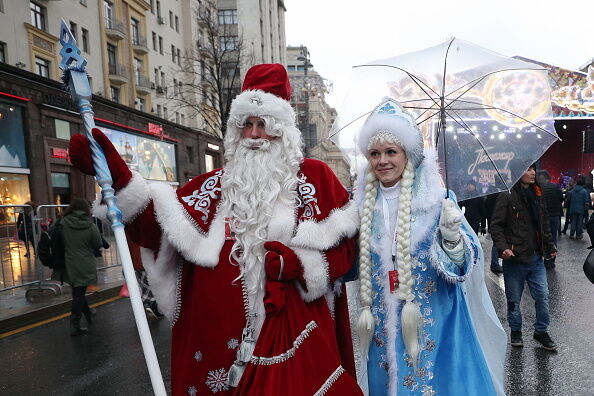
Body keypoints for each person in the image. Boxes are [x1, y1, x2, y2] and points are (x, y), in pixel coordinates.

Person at [69, 64, 361, 395]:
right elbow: (158, 231)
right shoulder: (212, 185)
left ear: (282, 130)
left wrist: (302, 264)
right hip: (217, 342)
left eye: (262, 125)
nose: (253, 135)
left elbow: (345, 246)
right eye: (246, 125)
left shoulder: (316, 177)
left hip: (292, 333)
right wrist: (120, 180)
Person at [355, 99, 506, 396]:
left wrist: (451, 237)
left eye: (390, 152)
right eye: (375, 153)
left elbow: (463, 268)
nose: (382, 160)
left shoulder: (438, 201)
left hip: (437, 321)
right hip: (384, 326)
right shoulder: (361, 208)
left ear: (407, 155)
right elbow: (348, 265)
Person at [490, 164, 557, 350]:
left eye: (534, 169)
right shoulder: (507, 196)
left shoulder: (538, 194)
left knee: (543, 295)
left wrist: (550, 246)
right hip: (514, 259)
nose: (533, 172)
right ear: (519, 173)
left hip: (536, 258)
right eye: (528, 169)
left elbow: (543, 224)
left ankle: (541, 331)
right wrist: (503, 248)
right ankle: (516, 331)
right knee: (514, 300)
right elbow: (495, 226)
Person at [52, 198, 103, 336]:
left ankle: (88, 314)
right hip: (85, 262)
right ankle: (74, 324)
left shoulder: (62, 223)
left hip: (68, 263)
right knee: (79, 293)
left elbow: (55, 239)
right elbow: (97, 243)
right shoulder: (90, 224)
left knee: (78, 290)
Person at [537, 170, 563, 268]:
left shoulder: (539, 188)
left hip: (543, 216)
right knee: (553, 236)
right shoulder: (555, 186)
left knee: (544, 236)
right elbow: (561, 199)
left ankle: (545, 258)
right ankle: (552, 259)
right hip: (555, 215)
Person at [485, 193, 503, 273]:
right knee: (497, 243)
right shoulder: (499, 195)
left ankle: (495, 264)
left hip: (495, 221)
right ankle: (495, 264)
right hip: (499, 222)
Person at [568, 175, 590, 240]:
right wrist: (586, 210)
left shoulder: (572, 191)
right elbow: (586, 201)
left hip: (573, 209)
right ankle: (578, 235)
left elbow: (569, 199)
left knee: (573, 222)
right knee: (579, 223)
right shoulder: (584, 191)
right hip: (581, 210)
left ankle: (571, 235)